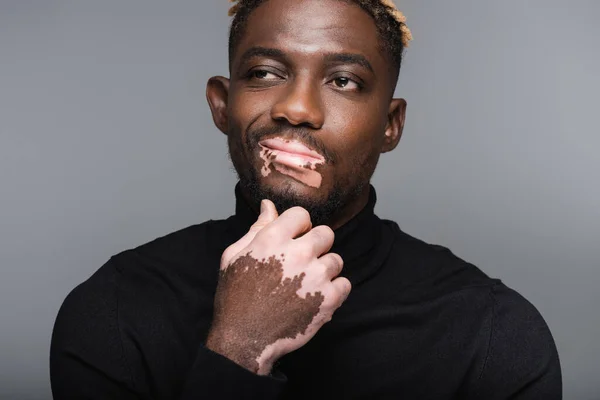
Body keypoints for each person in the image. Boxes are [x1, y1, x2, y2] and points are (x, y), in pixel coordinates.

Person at [50, 0, 562, 398]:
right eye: (266, 74)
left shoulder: (493, 335)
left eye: (344, 81)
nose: (296, 108)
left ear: (390, 125)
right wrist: (240, 349)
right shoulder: (114, 311)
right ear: (222, 106)